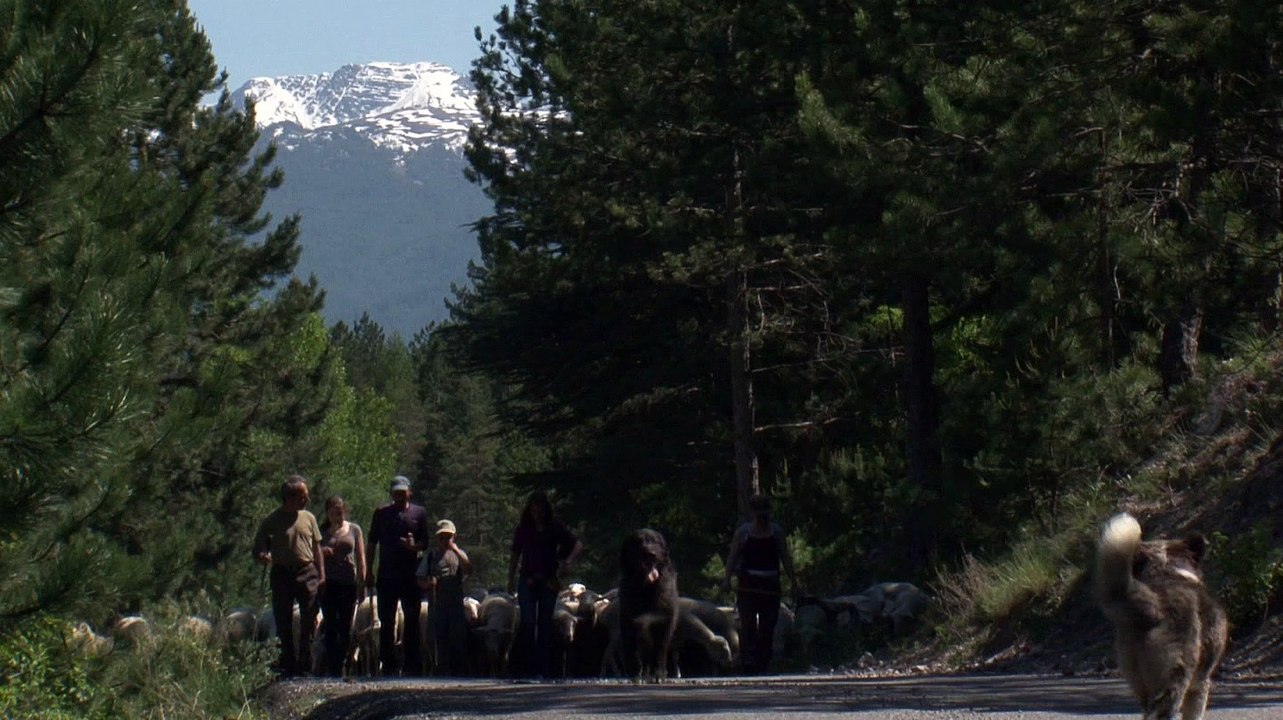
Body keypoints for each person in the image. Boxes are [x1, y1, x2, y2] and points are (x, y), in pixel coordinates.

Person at [252, 475, 325, 677]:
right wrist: (263, 556)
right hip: (282, 573)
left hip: (307, 571)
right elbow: (258, 547)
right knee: (283, 619)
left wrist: (321, 574)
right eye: (303, 496)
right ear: (290, 497)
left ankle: (306, 664)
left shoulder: (309, 518)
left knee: (309, 618)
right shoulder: (271, 521)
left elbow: (317, 547)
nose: (306, 500)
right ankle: (288, 665)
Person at [507, 490, 582, 678]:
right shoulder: (523, 529)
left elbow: (577, 544)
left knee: (545, 623)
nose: (537, 512)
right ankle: (525, 667)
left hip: (548, 580)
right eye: (534, 508)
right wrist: (510, 579)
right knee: (527, 622)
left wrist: (568, 561)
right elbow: (515, 554)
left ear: (545, 509)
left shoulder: (554, 527)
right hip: (527, 580)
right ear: (529, 509)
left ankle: (543, 669)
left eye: (540, 508)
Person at [721, 493, 798, 675]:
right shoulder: (743, 533)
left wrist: (794, 582)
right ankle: (748, 663)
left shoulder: (776, 532)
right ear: (752, 512)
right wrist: (726, 580)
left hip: (770, 585)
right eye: (758, 511)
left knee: (768, 625)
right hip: (748, 585)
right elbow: (733, 558)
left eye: (764, 511)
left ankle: (763, 662)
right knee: (747, 624)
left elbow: (785, 558)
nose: (762, 515)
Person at [365, 475, 430, 676]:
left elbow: (425, 543)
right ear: (391, 494)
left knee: (412, 621)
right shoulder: (381, 513)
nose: (400, 496)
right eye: (396, 493)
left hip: (410, 575)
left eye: (403, 492)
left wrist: (413, 546)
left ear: (410, 492)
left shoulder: (419, 513)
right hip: (386, 575)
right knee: (386, 621)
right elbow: (372, 543)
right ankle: (389, 665)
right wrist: (368, 570)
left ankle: (412, 665)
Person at [416, 518, 472, 676]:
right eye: (442, 537)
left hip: (455, 603)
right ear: (437, 538)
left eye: (449, 537)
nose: (445, 540)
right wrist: (428, 584)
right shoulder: (431, 556)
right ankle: (441, 670)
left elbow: (468, 569)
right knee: (438, 637)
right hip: (437, 603)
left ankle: (459, 670)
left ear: (454, 537)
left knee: (458, 637)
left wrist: (455, 550)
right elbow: (419, 579)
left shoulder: (460, 555)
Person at [318, 495, 366, 677]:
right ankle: (333, 666)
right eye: (332, 513)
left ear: (344, 511)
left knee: (346, 624)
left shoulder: (354, 530)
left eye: (339, 512)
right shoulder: (321, 532)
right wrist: (322, 551)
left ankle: (344, 662)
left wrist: (362, 581)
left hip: (348, 583)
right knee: (330, 623)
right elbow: (311, 554)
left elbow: (360, 556)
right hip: (328, 583)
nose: (336, 516)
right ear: (327, 513)